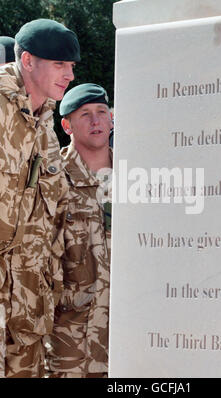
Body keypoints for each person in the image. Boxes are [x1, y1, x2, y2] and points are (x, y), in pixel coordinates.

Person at [0, 18, 80, 378]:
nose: (69, 75)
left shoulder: (45, 119)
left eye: (72, 67)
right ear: (28, 61)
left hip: (27, 300)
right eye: (60, 64)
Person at [45, 83, 112, 378]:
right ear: (66, 125)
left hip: (127, 332)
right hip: (69, 339)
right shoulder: (50, 179)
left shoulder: (139, 174)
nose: (96, 121)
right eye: (85, 114)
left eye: (102, 112)